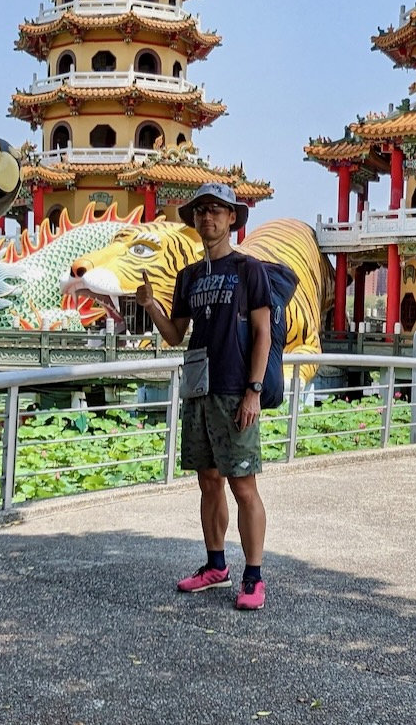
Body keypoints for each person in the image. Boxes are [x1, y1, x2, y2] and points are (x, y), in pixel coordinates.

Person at [134, 182, 271, 612]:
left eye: (216, 210)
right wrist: (151, 305)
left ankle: (254, 576)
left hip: (234, 390)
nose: (207, 217)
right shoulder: (189, 276)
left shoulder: (249, 269)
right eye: (201, 211)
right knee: (208, 481)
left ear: (232, 218)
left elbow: (263, 333)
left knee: (243, 485)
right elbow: (176, 335)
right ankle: (216, 566)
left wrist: (253, 391)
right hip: (199, 390)